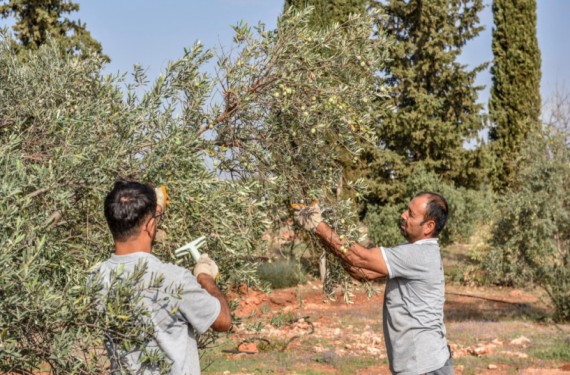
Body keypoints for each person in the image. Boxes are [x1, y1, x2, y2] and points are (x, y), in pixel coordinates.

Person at [294, 192, 453, 375]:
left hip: (425, 368)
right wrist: (323, 236)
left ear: (428, 227)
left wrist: (317, 225)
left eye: (411, 214)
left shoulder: (418, 255)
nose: (403, 215)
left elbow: (360, 258)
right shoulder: (414, 252)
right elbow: (361, 272)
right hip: (423, 365)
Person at [92, 180, 231, 374]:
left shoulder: (95, 280)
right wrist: (204, 276)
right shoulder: (174, 279)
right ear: (150, 225)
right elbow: (223, 321)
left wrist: (150, 209)